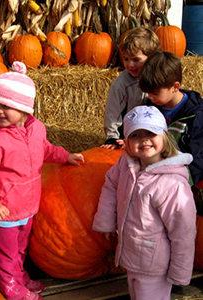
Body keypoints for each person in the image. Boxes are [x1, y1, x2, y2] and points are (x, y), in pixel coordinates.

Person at [0, 61, 84, 300]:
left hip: (27, 207)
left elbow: (44, 149)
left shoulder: (36, 129)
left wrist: (64, 156)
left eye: (6, 106)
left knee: (21, 249)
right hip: (2, 211)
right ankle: (12, 290)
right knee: (7, 255)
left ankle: (19, 278)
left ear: (24, 109)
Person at [93, 105, 197, 300]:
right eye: (135, 135)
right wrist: (106, 220)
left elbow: (183, 232)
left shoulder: (172, 184)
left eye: (151, 133)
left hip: (155, 264)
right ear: (126, 141)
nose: (144, 140)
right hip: (132, 256)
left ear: (164, 136)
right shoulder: (126, 164)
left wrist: (180, 273)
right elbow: (111, 185)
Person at [139, 50, 203, 215]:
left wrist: (184, 182)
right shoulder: (150, 108)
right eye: (148, 93)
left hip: (184, 178)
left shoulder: (196, 116)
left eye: (155, 93)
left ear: (175, 87)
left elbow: (197, 156)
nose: (150, 97)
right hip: (156, 171)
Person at [102, 26, 161, 149]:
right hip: (129, 133)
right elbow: (113, 113)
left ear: (151, 58)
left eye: (136, 60)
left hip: (153, 130)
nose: (130, 65)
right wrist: (113, 137)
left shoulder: (160, 77)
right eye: (126, 59)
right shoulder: (121, 85)